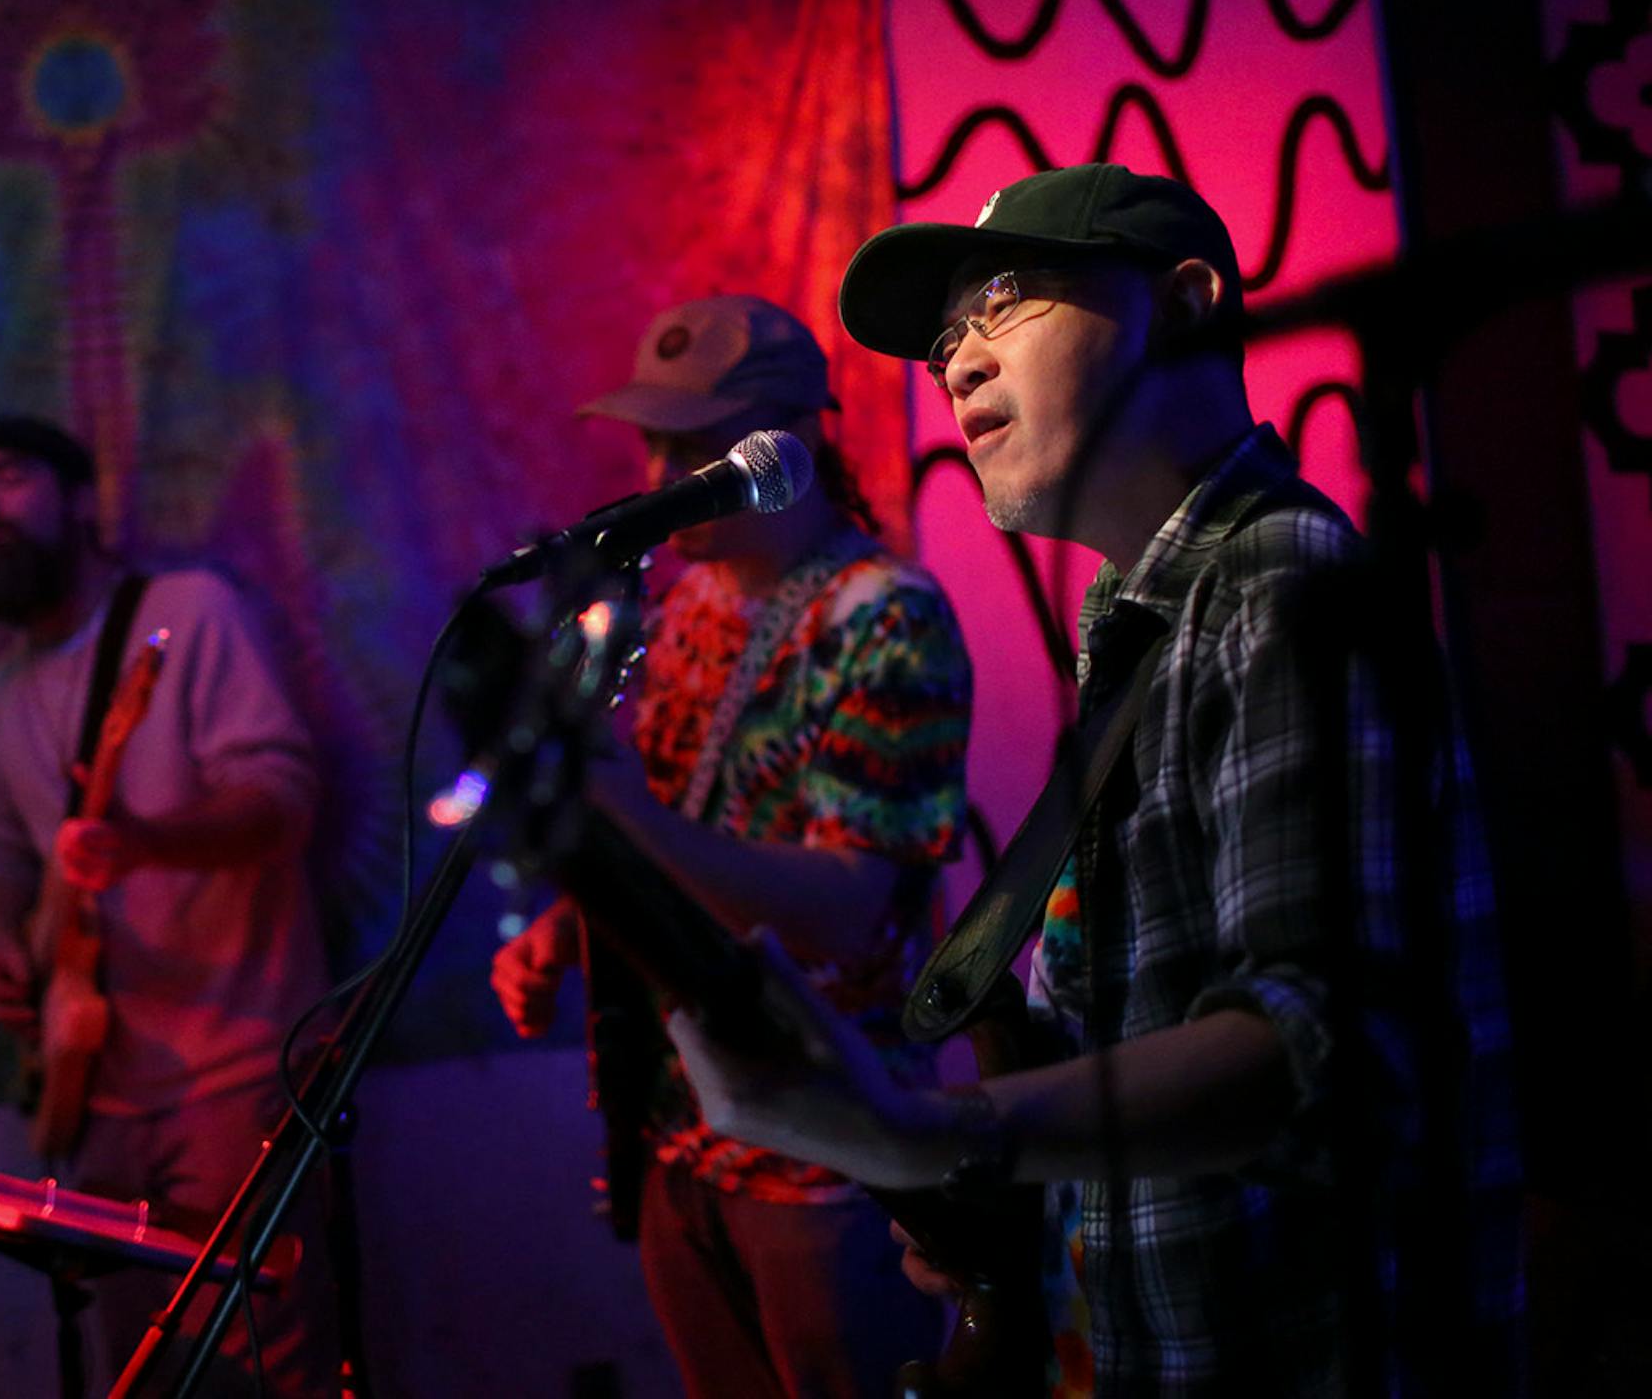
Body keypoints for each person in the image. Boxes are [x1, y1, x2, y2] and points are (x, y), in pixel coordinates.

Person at [664, 166, 1523, 1396]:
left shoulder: (1281, 588)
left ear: (1184, 304)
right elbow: (1146, 1035)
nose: (958, 364)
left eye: (1003, 302)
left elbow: (1319, 1048)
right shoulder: (1137, 617)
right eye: (946, 340)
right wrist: (1018, 1211)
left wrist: (942, 1134)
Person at [489, 296, 974, 1398]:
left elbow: (851, 905)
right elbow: (666, 836)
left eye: (699, 444)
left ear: (790, 442)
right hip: (681, 1122)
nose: (663, 468)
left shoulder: (885, 614)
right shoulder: (689, 601)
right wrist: (563, 939)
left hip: (830, 1151)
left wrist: (631, 816)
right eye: (654, 440)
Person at [0, 414, 336, 1396]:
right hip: (97, 1088)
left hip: (236, 1065)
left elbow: (281, 797)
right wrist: (1, 942)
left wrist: (148, 841)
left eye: (11, 477)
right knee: (152, 1377)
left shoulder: (187, 612)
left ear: (81, 502)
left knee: (258, 1364)